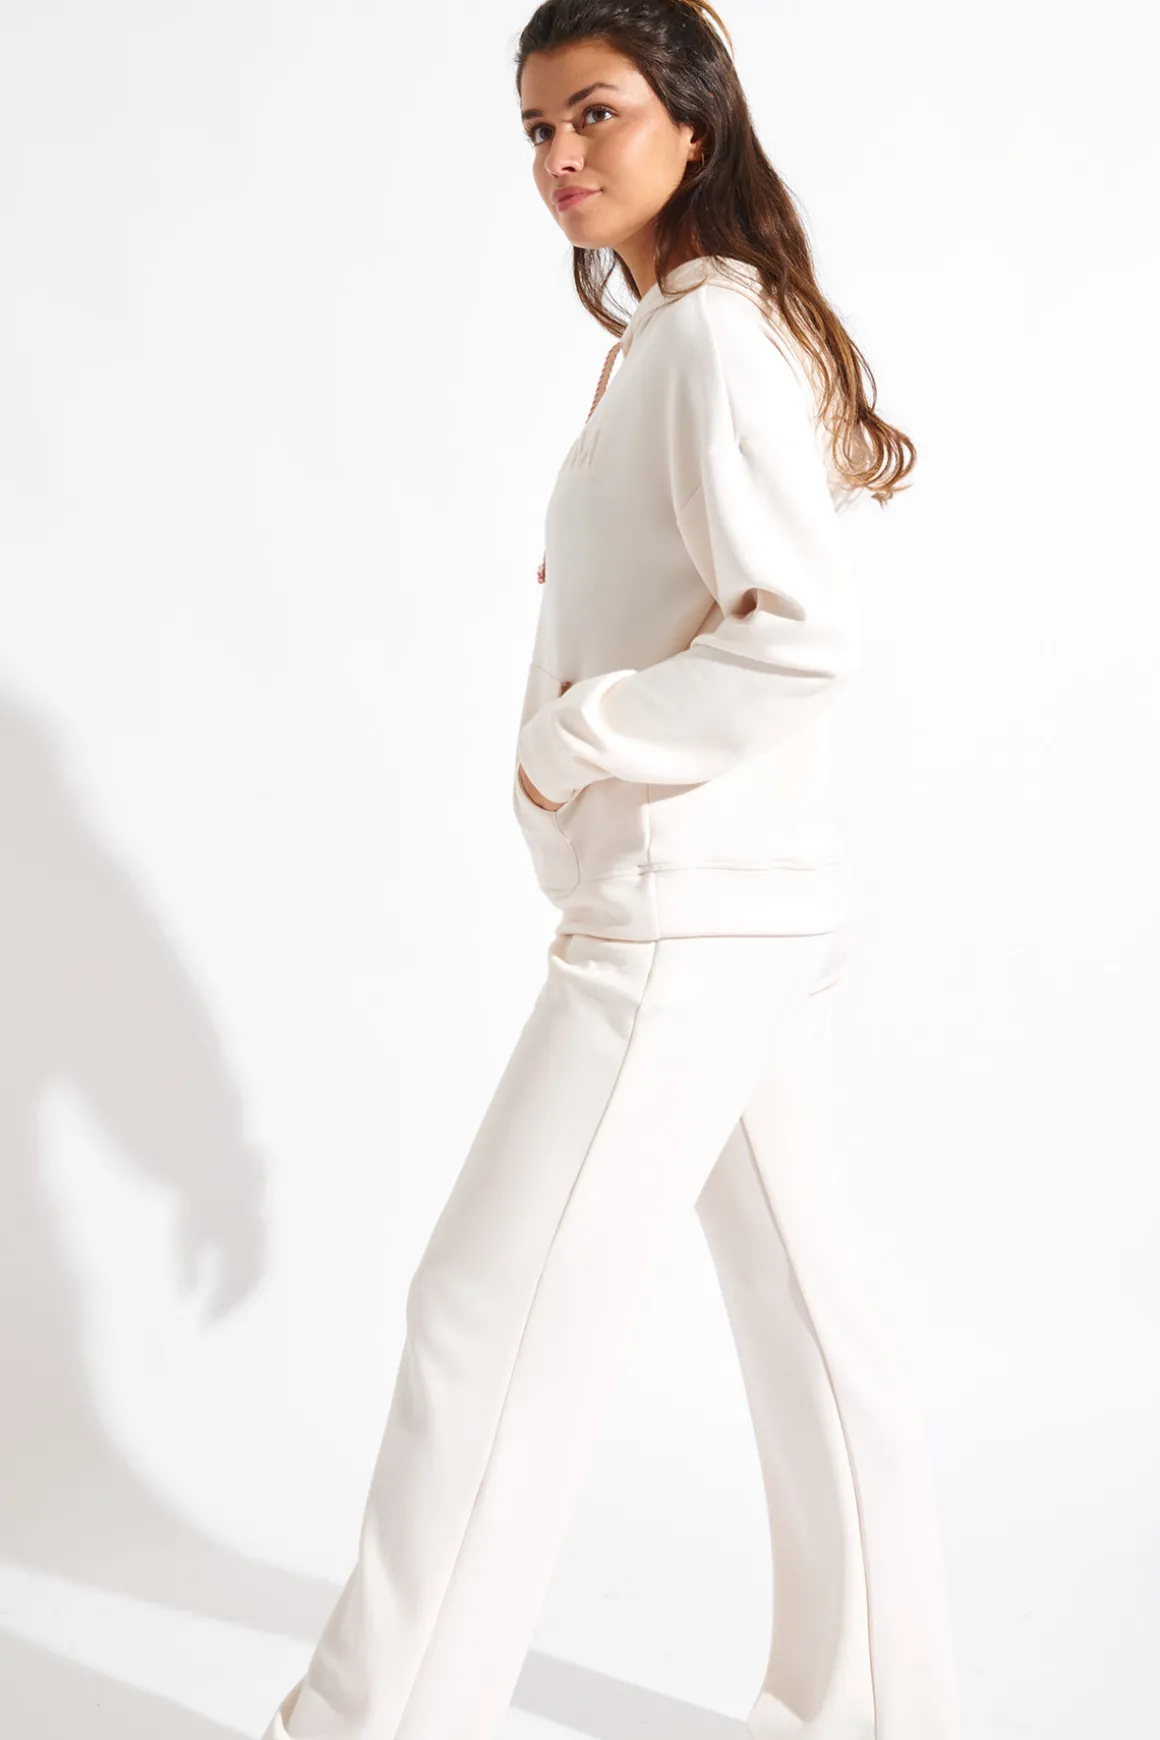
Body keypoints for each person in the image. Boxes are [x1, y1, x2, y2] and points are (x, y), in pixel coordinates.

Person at [259, 4, 962, 1738]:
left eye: (595, 114)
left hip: (681, 924)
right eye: (535, 128)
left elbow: (800, 635)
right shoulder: (688, 328)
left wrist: (579, 740)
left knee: (480, 1315)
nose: (560, 156)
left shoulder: (709, 335)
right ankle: (879, 1710)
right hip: (734, 906)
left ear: (692, 124)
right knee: (808, 1324)